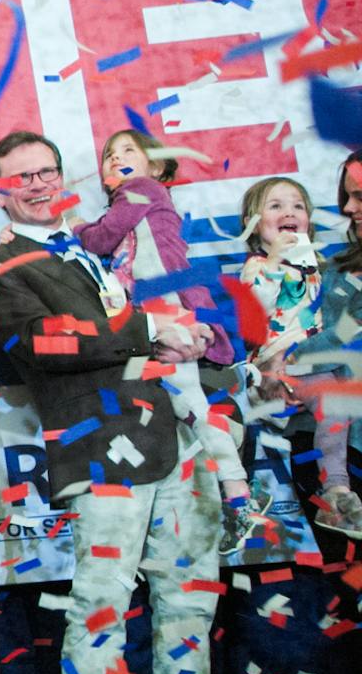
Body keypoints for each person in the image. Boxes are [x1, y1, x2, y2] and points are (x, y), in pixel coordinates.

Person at [0, 130, 273, 674]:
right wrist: (148, 331)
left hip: (180, 436)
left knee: (190, 603)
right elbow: (39, 345)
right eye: (23, 178)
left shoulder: (95, 243)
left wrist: (197, 334)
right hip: (101, 450)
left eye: (48, 170)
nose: (40, 184)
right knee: (100, 611)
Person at [77, 130, 254, 552]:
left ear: (155, 166)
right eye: (109, 156)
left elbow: (99, 238)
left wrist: (73, 228)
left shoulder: (141, 190)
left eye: (128, 152)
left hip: (166, 308)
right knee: (182, 402)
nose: (116, 159)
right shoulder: (139, 201)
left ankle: (237, 488)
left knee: (187, 401)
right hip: (155, 313)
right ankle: (233, 468)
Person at [239, 175, 361, 536]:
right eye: (275, 206)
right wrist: (274, 265)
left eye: (298, 206)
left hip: (312, 373)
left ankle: (336, 499)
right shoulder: (257, 267)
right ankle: (337, 489)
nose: (289, 212)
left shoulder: (320, 270)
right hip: (272, 370)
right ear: (253, 224)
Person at [279, 152, 362, 541]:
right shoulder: (331, 267)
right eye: (347, 196)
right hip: (319, 439)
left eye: (360, 196)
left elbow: (344, 335)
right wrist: (271, 373)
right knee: (342, 580)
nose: (348, 208)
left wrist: (292, 360)